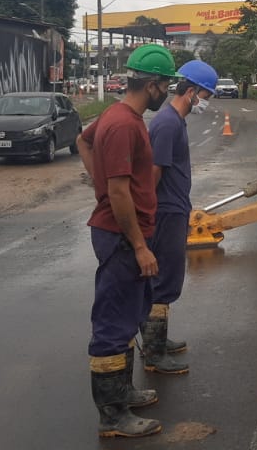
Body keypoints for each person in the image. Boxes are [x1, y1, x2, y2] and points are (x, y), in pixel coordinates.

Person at [76, 44, 181, 439]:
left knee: (130, 313)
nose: (166, 94)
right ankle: (112, 415)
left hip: (125, 232)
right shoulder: (123, 125)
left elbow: (82, 142)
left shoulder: (118, 116)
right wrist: (138, 244)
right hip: (122, 237)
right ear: (152, 85)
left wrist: (100, 186)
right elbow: (120, 193)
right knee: (113, 323)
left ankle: (123, 392)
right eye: (165, 86)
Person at [141, 59, 218, 375]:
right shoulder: (168, 123)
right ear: (191, 92)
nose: (207, 102)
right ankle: (154, 353)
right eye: (206, 95)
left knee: (168, 277)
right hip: (166, 212)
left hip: (174, 208)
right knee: (165, 279)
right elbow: (153, 173)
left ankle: (157, 340)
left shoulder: (174, 121)